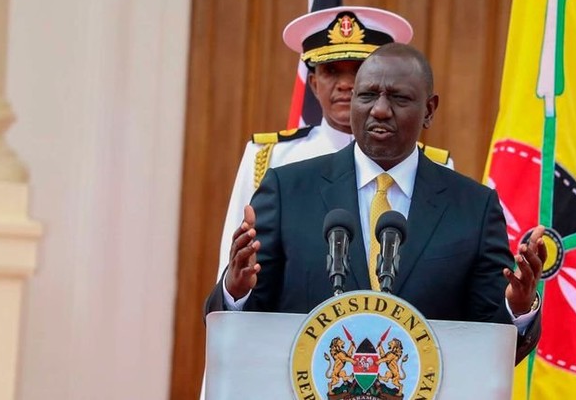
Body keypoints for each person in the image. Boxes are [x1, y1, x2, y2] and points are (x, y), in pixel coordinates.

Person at [205, 43, 547, 363]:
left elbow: (490, 346)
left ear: (429, 110)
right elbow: (241, 330)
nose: (380, 109)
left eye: (398, 98)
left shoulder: (473, 207)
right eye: (367, 95)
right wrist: (236, 293)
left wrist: (517, 308)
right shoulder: (287, 189)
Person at [216, 6, 453, 279]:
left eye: (359, 70)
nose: (345, 84)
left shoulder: (435, 164)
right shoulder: (270, 158)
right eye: (331, 71)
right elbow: (237, 265)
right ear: (314, 84)